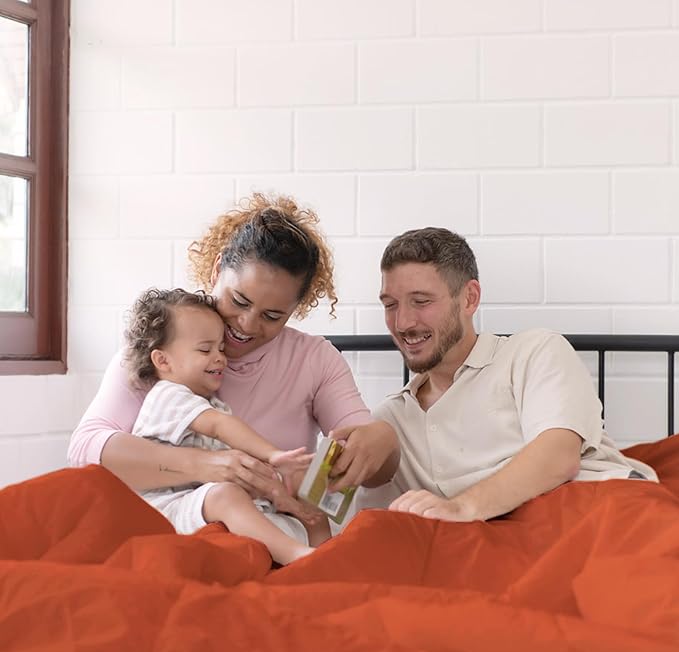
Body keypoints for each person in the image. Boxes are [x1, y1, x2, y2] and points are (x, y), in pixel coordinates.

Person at [67, 193, 399, 540]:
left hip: (265, 544)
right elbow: (85, 450)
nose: (247, 324)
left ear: (295, 309)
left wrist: (384, 442)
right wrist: (207, 465)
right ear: (217, 270)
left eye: (273, 316)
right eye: (239, 300)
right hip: (166, 535)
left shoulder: (315, 360)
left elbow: (373, 470)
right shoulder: (162, 345)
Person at [345, 227, 657, 523]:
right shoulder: (391, 421)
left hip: (597, 508)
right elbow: (352, 520)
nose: (402, 322)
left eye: (421, 302)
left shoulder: (533, 352)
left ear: (469, 298)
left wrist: (461, 507)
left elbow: (559, 456)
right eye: (390, 305)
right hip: (502, 544)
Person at [125, 287, 330, 564]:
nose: (220, 357)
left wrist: (280, 494)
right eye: (205, 349)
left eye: (221, 348)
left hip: (202, 504)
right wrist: (274, 455)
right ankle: (298, 556)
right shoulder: (168, 395)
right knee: (225, 495)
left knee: (307, 501)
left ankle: (327, 554)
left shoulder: (212, 404)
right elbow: (220, 426)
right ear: (163, 360)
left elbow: (235, 464)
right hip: (166, 510)